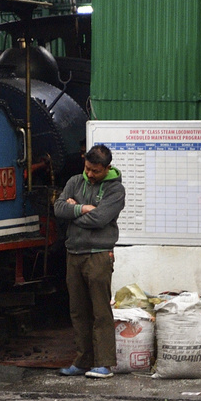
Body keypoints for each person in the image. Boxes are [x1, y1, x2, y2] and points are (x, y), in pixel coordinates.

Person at [52, 143, 126, 378]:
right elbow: (58, 208)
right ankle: (82, 360)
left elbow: (100, 219)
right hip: (74, 253)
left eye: (95, 171)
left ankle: (104, 364)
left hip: (99, 255)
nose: (90, 174)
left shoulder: (116, 190)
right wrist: (84, 209)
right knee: (78, 311)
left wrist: (73, 213)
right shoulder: (75, 181)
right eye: (87, 169)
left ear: (107, 168)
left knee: (100, 311)